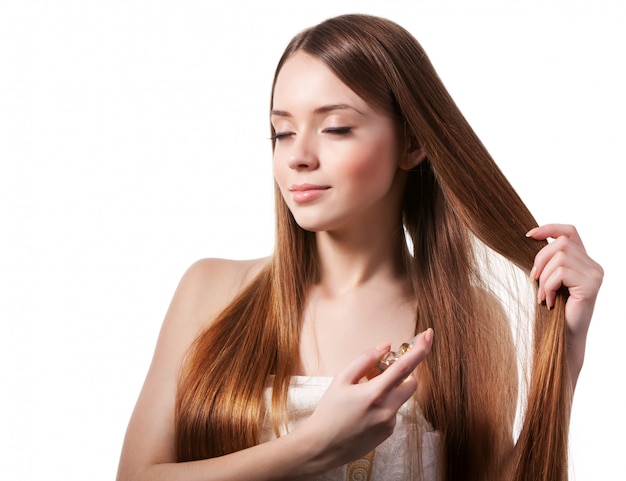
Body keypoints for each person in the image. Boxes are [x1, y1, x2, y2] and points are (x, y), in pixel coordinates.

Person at [116, 13, 603, 481]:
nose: (298, 157)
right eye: (281, 132)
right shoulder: (211, 290)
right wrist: (311, 448)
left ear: (412, 143)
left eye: (335, 128)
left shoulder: (468, 318)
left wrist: (565, 356)